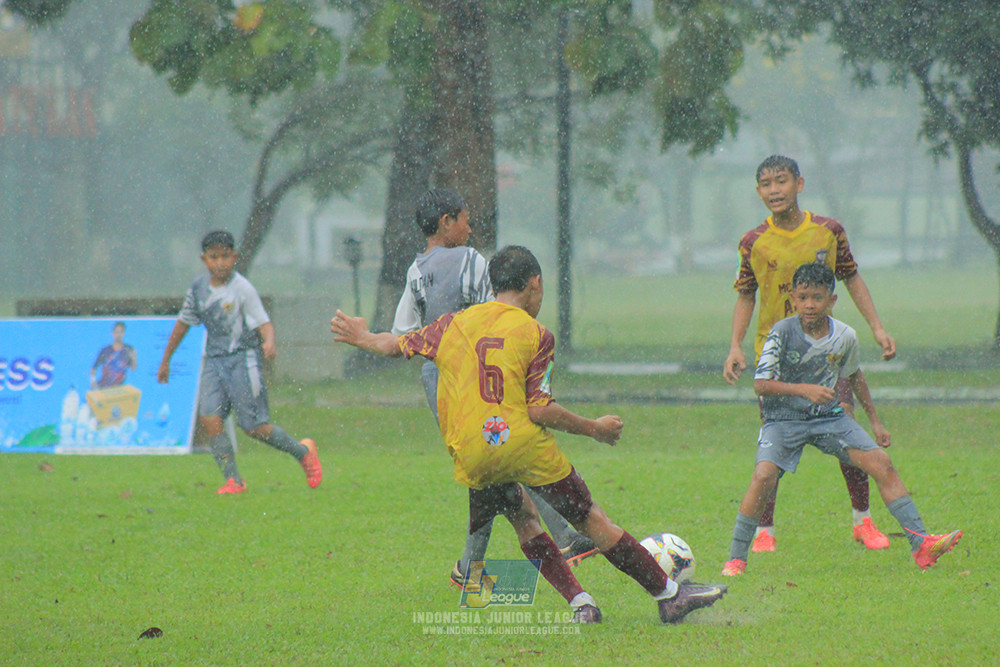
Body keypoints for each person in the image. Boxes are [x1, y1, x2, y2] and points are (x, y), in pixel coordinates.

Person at [332, 245, 727, 624]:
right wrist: (595, 429)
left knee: (523, 519)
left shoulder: (452, 324)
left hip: (473, 451)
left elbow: (394, 345)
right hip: (521, 446)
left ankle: (582, 605)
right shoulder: (536, 334)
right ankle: (669, 595)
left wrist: (362, 337)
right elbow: (539, 409)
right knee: (591, 519)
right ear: (534, 283)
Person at [391, 189, 598, 589]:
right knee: (508, 456)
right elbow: (498, 312)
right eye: (466, 220)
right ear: (447, 222)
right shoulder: (469, 260)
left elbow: (404, 330)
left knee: (489, 469)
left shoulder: (415, 270)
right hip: (481, 373)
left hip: (439, 379)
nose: (470, 229)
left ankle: (474, 567)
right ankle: (560, 538)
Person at [721, 263, 961, 576]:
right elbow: (760, 385)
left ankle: (922, 544)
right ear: (793, 298)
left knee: (882, 463)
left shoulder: (846, 336)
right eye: (803, 297)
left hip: (828, 418)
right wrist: (805, 390)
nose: (809, 305)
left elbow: (854, 376)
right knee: (763, 476)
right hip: (783, 420)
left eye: (817, 298)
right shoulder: (781, 332)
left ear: (832, 300)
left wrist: (875, 421)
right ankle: (736, 559)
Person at [723, 154, 897, 553]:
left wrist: (877, 327)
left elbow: (851, 277)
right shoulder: (752, 242)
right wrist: (735, 345)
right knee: (774, 443)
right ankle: (764, 530)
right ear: (758, 191)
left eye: (781, 181)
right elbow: (746, 295)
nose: (774, 190)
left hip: (826, 353)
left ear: (799, 184)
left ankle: (863, 521)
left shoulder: (828, 232)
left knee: (847, 428)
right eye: (766, 184)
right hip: (776, 357)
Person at [157, 230, 322, 494]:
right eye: (214, 257)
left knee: (254, 427)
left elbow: (263, 321)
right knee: (210, 419)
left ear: (234, 257)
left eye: (225, 256)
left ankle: (303, 452)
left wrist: (269, 341)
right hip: (214, 361)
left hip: (242, 360)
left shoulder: (242, 288)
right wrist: (166, 360)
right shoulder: (198, 289)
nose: (220, 262)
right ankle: (233, 480)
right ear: (204, 259)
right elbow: (183, 324)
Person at [90, 321, 137, 388]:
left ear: (124, 333)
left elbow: (133, 368)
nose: (118, 335)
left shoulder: (128, 349)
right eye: (116, 332)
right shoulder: (105, 350)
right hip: (104, 387)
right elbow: (94, 367)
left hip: (119, 388)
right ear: (113, 333)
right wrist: (93, 381)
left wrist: (133, 358)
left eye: (121, 332)